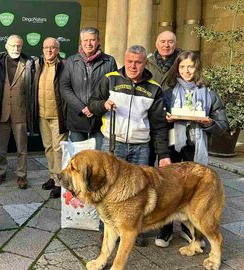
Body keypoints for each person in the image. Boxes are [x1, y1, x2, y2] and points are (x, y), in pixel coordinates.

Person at [89, 45, 172, 246]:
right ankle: (106, 232)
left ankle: (131, 231)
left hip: (141, 147)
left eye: (138, 62)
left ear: (145, 63)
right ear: (124, 60)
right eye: (129, 62)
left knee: (137, 192)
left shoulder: (154, 88)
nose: (133, 66)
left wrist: (163, 154)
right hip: (113, 143)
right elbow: (92, 103)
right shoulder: (110, 79)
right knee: (108, 189)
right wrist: (103, 105)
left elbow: (159, 126)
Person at [155, 50, 228, 248]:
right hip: (173, 147)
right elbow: (157, 121)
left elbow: (223, 125)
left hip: (196, 148)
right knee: (169, 188)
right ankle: (166, 227)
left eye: (191, 67)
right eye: (182, 67)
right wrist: (165, 118)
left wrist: (208, 122)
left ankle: (191, 228)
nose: (187, 71)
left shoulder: (210, 95)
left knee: (193, 190)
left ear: (197, 68)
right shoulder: (168, 94)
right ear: (177, 69)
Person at [60, 27, 117, 151]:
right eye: (85, 40)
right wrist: (82, 108)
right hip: (77, 118)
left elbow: (114, 88)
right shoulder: (71, 61)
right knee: (79, 159)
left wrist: (96, 107)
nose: (88, 44)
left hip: (99, 119)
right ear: (81, 42)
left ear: (98, 41)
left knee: (97, 160)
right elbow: (64, 88)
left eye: (92, 40)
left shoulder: (109, 61)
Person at [0, 34, 36, 189]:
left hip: (21, 113)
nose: (15, 48)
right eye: (12, 45)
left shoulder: (29, 64)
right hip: (2, 113)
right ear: (6, 46)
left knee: (22, 149)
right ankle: (1, 172)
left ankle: (21, 176)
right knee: (0, 148)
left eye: (18, 46)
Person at [34, 37, 67, 198]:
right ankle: (53, 177)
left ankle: (60, 183)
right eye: (46, 47)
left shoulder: (63, 66)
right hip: (42, 115)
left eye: (53, 47)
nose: (49, 50)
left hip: (57, 116)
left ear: (58, 50)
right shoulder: (38, 66)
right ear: (42, 49)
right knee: (48, 148)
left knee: (58, 149)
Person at [146, 31, 181, 167]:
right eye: (162, 41)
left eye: (170, 42)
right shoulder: (147, 62)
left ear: (175, 44)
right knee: (147, 163)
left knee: (171, 164)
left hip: (174, 121)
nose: (166, 45)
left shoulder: (182, 62)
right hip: (151, 119)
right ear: (156, 43)